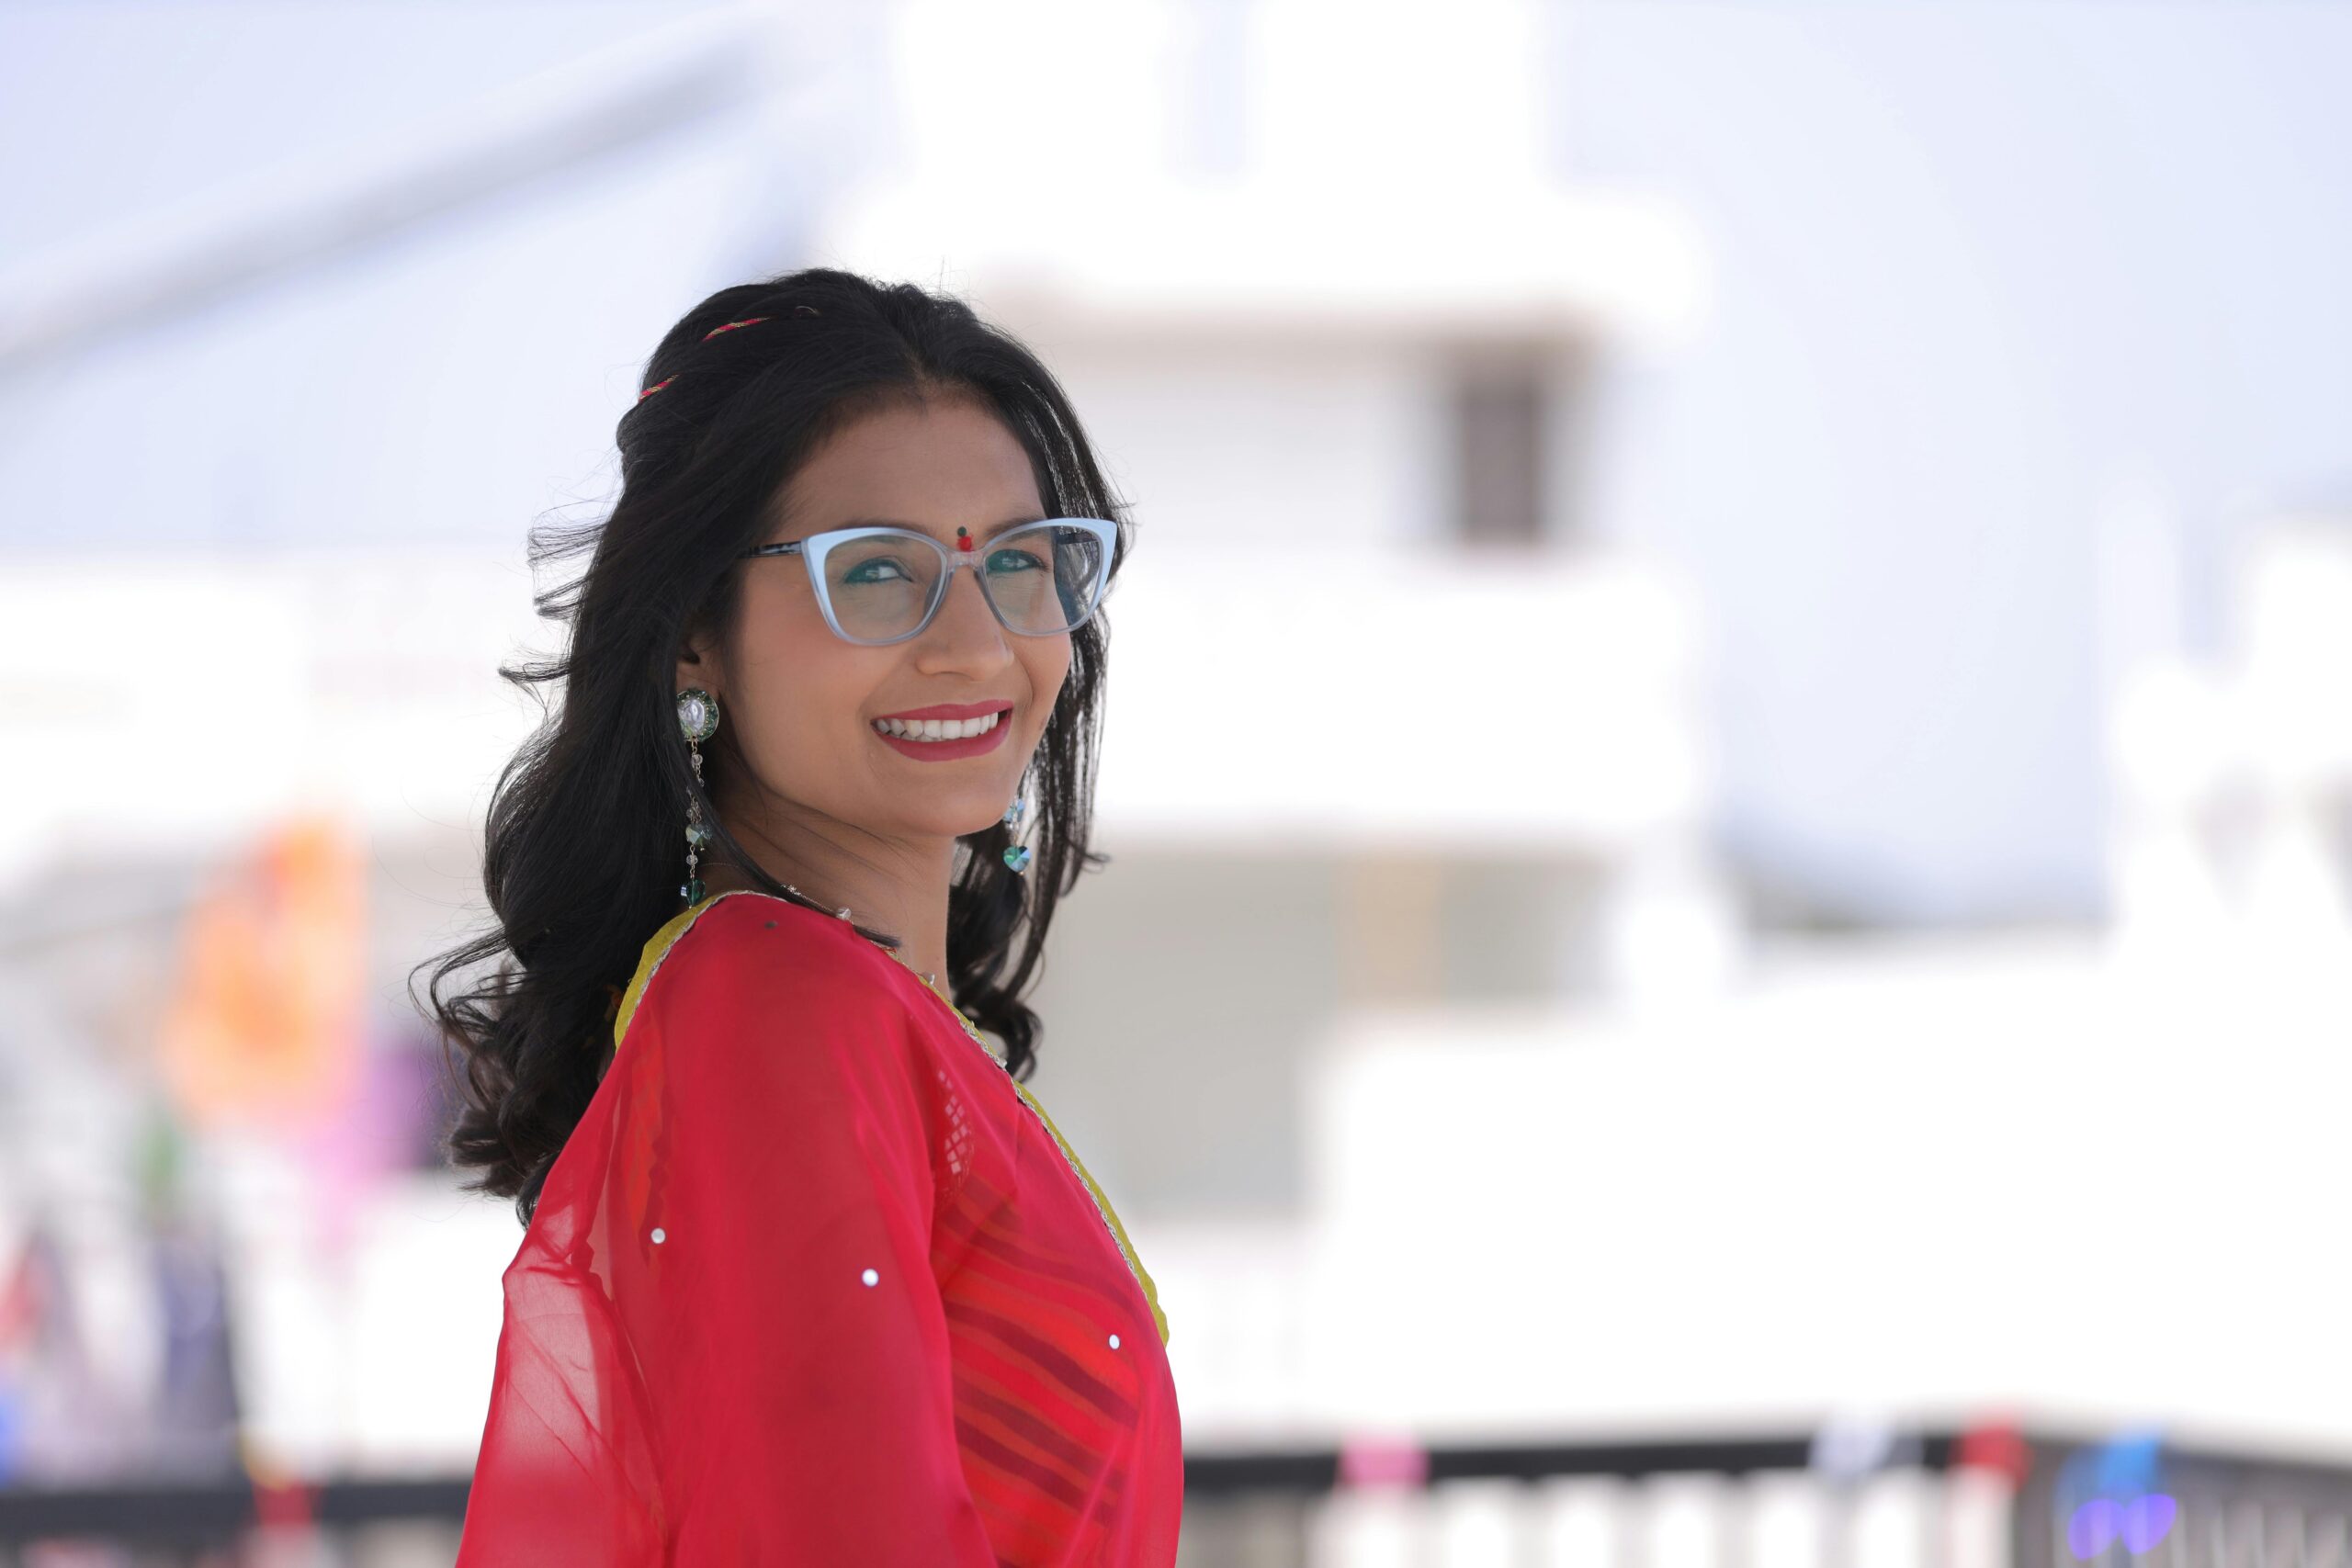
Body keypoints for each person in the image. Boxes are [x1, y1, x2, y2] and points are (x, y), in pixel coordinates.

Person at [414, 267, 1181, 1564]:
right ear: (694, 634)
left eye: (1019, 563)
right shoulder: (776, 1003)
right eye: (875, 573)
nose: (976, 644)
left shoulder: (850, 1012)